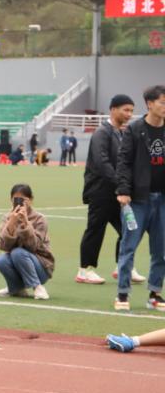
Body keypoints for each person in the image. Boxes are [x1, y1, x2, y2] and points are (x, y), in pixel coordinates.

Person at [78, 95, 147, 286]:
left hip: (117, 193)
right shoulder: (102, 132)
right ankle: (84, 270)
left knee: (129, 229)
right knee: (95, 230)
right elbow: (102, 163)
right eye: (126, 110)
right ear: (113, 109)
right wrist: (121, 183)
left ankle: (123, 267)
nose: (129, 114)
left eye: (131, 110)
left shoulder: (120, 133)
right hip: (100, 191)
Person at [114, 85, 165, 311]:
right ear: (149, 104)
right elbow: (124, 162)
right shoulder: (135, 129)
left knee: (161, 249)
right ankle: (122, 294)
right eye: (163, 102)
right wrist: (123, 190)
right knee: (129, 246)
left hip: (163, 199)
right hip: (138, 199)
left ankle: (155, 294)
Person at [0, 183, 54, 300]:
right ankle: (16, 288)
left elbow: (34, 246)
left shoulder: (39, 219)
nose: (19, 203)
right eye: (15, 199)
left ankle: (37, 287)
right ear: (10, 200)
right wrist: (11, 223)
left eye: (23, 200)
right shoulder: (7, 218)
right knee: (1, 260)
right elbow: (3, 246)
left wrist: (25, 222)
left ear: (31, 200)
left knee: (18, 253)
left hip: (41, 267)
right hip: (19, 263)